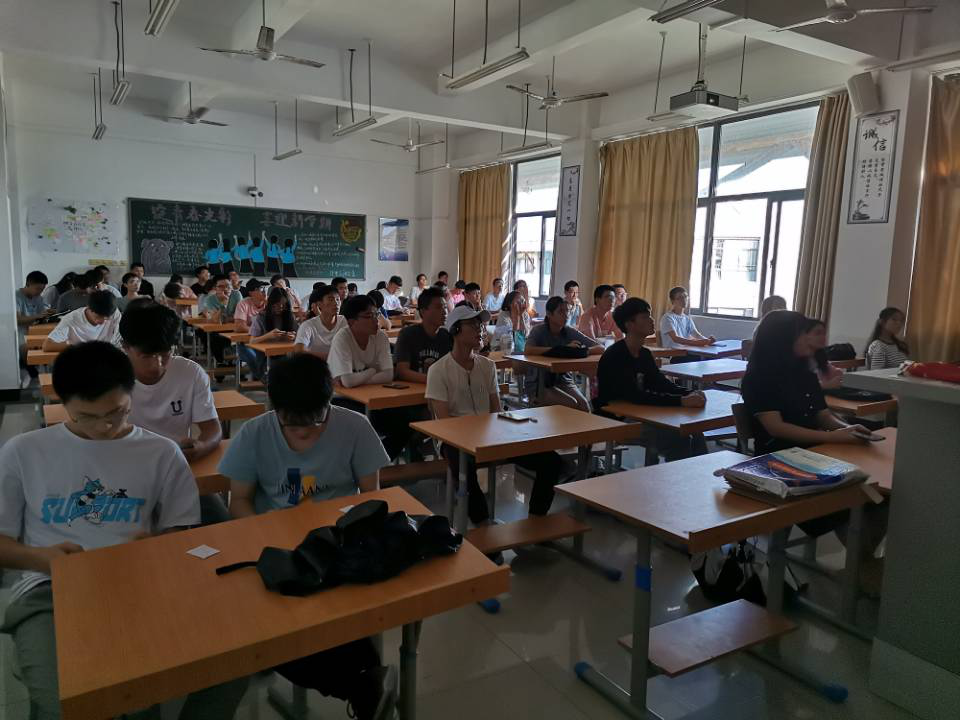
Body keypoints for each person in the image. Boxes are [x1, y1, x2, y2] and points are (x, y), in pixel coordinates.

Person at [0, 341, 249, 720]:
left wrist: (156, 548)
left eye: (116, 412)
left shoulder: (161, 453)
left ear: (131, 395)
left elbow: (182, 536)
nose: (104, 426)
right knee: (65, 703)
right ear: (63, 402)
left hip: (141, 583)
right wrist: (42, 559)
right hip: (50, 592)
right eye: (87, 416)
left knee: (231, 661)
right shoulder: (24, 452)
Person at [217, 353, 396, 720]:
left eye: (315, 419)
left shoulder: (354, 427)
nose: (303, 431)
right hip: (276, 548)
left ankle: (363, 681)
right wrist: (267, 539)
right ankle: (363, 685)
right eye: (291, 421)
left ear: (329, 401)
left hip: (337, 545)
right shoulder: (255, 433)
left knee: (335, 615)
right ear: (274, 408)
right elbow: (241, 501)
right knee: (274, 631)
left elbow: (371, 499)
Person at [741, 310, 887, 585]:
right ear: (783, 338)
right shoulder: (759, 377)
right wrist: (836, 437)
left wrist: (846, 427)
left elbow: (823, 415)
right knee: (851, 494)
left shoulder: (803, 372)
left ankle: (861, 563)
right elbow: (776, 428)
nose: (811, 338)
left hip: (815, 451)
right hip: (780, 460)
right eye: (803, 333)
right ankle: (863, 566)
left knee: (884, 495)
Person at [426, 305, 562, 527]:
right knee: (463, 463)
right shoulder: (438, 370)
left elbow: (496, 411)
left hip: (489, 435)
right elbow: (445, 423)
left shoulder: (487, 366)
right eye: (473, 325)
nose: (480, 330)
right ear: (456, 330)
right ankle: (482, 522)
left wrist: (509, 431)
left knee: (551, 461)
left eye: (480, 325)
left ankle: (536, 521)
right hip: (453, 440)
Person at [119, 302, 227, 523]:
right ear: (125, 347)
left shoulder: (190, 373)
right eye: (146, 356)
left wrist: (201, 446)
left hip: (178, 470)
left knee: (221, 524)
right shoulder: (110, 378)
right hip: (125, 476)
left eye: (165, 354)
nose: (157, 365)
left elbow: (212, 429)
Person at [596, 298, 708, 461]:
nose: (652, 320)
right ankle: (678, 477)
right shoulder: (615, 356)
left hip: (643, 411)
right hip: (616, 417)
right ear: (629, 324)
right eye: (645, 316)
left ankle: (702, 476)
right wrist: (681, 401)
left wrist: (690, 393)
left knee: (694, 429)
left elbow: (661, 384)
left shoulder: (645, 354)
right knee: (678, 438)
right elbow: (635, 396)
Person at [328, 295, 411, 460]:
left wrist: (360, 377)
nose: (375, 320)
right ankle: (365, 463)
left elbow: (388, 375)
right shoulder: (342, 338)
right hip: (340, 400)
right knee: (363, 423)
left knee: (406, 422)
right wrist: (373, 370)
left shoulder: (380, 337)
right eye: (368, 316)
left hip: (373, 397)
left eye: (376, 314)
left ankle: (377, 461)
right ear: (351, 322)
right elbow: (347, 382)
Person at [524, 296, 602, 412]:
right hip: (540, 383)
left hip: (564, 380)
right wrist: (561, 349)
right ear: (549, 314)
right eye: (561, 311)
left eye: (567, 311)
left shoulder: (569, 331)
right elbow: (528, 350)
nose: (566, 315)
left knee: (584, 405)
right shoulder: (539, 330)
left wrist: (580, 351)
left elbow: (600, 348)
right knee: (571, 404)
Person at [394, 287, 451, 383]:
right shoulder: (408, 334)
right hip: (413, 388)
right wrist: (434, 381)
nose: (444, 312)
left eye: (445, 307)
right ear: (423, 311)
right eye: (438, 307)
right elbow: (402, 372)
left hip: (439, 388)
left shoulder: (447, 336)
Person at [43, 291, 120, 351]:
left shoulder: (114, 313)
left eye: (106, 319)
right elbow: (47, 345)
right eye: (98, 317)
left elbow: (120, 340)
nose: (102, 322)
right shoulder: (71, 319)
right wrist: (79, 347)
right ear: (89, 308)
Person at [16, 271, 54, 387]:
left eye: (42, 289)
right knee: (25, 348)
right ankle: (33, 373)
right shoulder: (16, 297)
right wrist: (38, 316)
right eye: (38, 289)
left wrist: (49, 313)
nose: (40, 292)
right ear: (28, 284)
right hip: (19, 331)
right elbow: (18, 319)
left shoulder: (39, 298)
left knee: (51, 343)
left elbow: (42, 315)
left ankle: (46, 373)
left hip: (34, 330)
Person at [295, 286, 347, 360]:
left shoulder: (345, 321)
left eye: (338, 299)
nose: (336, 303)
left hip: (341, 365)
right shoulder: (308, 325)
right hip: (317, 366)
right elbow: (299, 351)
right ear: (319, 304)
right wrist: (332, 358)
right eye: (331, 300)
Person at [659, 286, 715, 353]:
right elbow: (676, 339)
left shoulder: (687, 318)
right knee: (703, 357)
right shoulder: (667, 317)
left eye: (685, 296)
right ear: (672, 301)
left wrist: (708, 340)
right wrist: (698, 343)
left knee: (710, 355)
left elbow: (696, 334)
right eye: (680, 297)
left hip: (686, 351)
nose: (684, 300)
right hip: (674, 353)